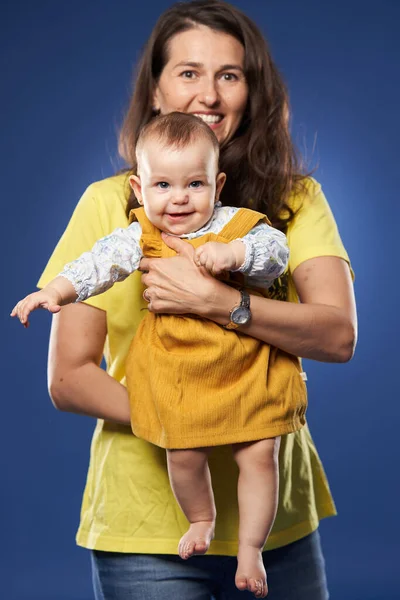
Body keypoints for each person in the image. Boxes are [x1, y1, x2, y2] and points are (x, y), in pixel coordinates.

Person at [22, 1, 357, 598]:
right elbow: (68, 378)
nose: (210, 94)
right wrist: (190, 417)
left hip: (276, 525)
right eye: (188, 73)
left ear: (252, 91)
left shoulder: (293, 200)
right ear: (155, 91)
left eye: (230, 75)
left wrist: (220, 302)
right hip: (147, 527)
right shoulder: (109, 207)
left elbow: (337, 336)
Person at [12, 111, 298, 597]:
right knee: (182, 455)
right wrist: (57, 292)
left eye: (194, 184)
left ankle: (251, 548)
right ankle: (202, 518)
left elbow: (276, 253)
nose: (179, 198)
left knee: (260, 457)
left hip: (246, 369)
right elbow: (96, 264)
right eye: (163, 185)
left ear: (218, 183)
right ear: (140, 189)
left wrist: (236, 256)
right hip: (179, 372)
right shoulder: (138, 234)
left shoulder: (241, 225)